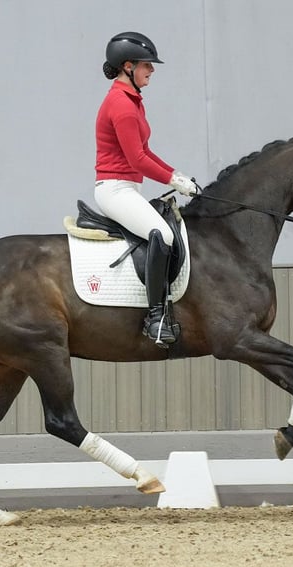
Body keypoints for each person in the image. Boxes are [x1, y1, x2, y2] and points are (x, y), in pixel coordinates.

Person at [94, 31, 197, 347]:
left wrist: (177, 176)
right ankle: (156, 317)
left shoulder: (133, 102)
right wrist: (172, 181)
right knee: (162, 235)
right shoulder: (121, 105)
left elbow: (145, 152)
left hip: (127, 188)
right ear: (128, 67)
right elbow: (137, 159)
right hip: (114, 189)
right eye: (146, 65)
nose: (151, 70)